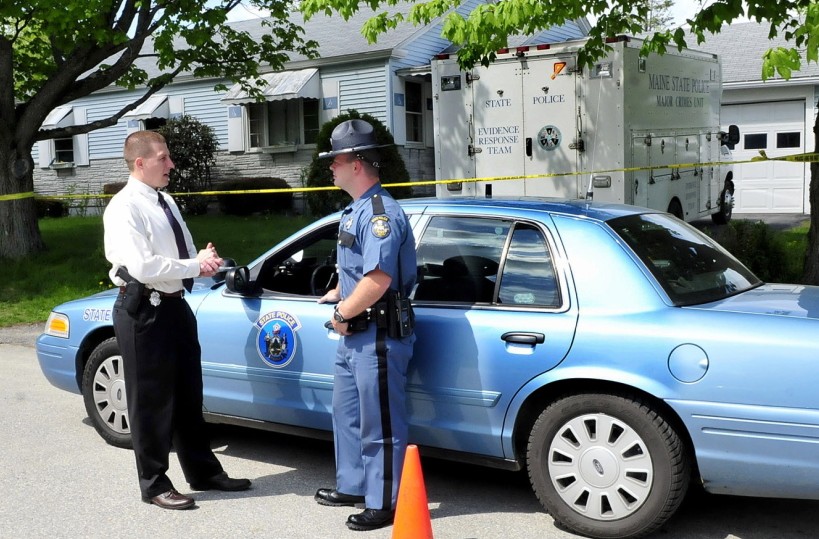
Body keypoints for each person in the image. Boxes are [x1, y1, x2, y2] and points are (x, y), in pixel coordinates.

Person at [103, 131, 251, 510]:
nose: (171, 165)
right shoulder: (124, 207)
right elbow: (142, 265)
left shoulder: (163, 199)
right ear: (140, 163)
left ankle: (203, 472)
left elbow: (177, 251)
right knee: (151, 400)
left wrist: (201, 257)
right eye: (163, 158)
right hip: (145, 309)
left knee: (189, 393)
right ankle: (154, 484)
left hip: (175, 303)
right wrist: (193, 265)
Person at [314, 119, 418, 531]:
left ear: (356, 163)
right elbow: (358, 271)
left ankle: (385, 501)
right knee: (348, 414)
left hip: (377, 334)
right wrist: (338, 292)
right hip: (356, 334)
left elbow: (379, 279)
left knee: (381, 422)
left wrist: (342, 314)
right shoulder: (356, 211)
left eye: (334, 160)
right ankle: (355, 484)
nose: (330, 168)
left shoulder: (380, 214)